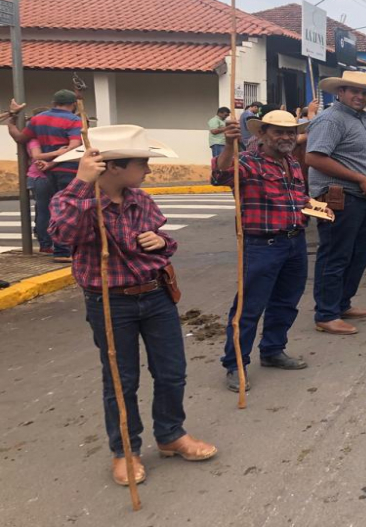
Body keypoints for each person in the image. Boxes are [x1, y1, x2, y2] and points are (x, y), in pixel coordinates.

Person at [48, 124, 216, 487]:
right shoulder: (72, 199)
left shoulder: (141, 199)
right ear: (113, 167)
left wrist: (161, 241)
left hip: (155, 295)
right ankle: (125, 449)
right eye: (142, 163)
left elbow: (164, 242)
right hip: (109, 301)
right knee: (121, 381)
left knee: (172, 371)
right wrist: (81, 185)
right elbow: (64, 236)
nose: (149, 170)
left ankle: (171, 433)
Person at [212, 110, 324, 392]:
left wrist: (321, 209)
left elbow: (298, 198)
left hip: (295, 243)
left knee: (286, 302)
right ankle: (235, 364)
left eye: (289, 132)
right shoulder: (248, 163)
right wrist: (228, 146)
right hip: (262, 246)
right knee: (249, 308)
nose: (286, 137)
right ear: (262, 134)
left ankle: (273, 350)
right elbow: (219, 174)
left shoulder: (293, 163)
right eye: (278, 132)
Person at [307, 71, 366, 335]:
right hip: (339, 198)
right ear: (340, 92)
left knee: (359, 255)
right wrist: (360, 178)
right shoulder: (331, 120)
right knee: (335, 255)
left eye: (365, 93)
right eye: (354, 91)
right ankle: (326, 314)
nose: (360, 96)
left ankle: (342, 304)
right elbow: (314, 158)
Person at [6, 89, 83, 262]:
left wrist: (11, 121)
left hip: (49, 172)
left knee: (55, 208)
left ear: (54, 103)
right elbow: (74, 147)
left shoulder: (37, 119)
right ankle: (63, 251)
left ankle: (60, 249)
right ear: (73, 105)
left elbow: (20, 137)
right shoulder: (74, 120)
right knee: (69, 209)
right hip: (69, 169)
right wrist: (54, 157)